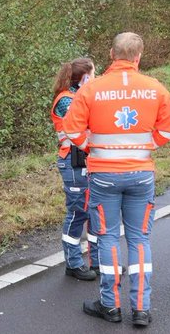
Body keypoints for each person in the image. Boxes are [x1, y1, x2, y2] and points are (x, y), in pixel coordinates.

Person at [63, 32, 170, 327]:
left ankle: (110, 305)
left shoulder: (93, 90)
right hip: (141, 174)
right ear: (139, 57)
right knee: (140, 239)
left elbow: (71, 129)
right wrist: (147, 145)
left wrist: (93, 147)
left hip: (104, 175)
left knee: (108, 238)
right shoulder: (155, 88)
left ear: (112, 54)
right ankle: (141, 308)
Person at [50, 57, 99, 281]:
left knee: (94, 212)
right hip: (73, 161)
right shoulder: (66, 100)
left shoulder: (81, 97)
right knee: (78, 212)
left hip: (88, 161)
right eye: (93, 74)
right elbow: (86, 123)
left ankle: (97, 261)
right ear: (85, 77)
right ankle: (73, 262)